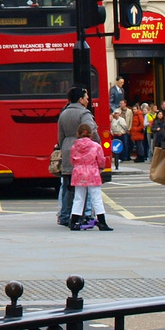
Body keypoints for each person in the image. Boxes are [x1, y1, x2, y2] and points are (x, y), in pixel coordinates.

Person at [56, 87, 95, 227]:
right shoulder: (84, 113)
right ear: (80, 99)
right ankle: (84, 215)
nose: (88, 100)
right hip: (83, 151)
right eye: (86, 97)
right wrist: (96, 145)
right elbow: (91, 130)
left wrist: (65, 147)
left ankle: (65, 215)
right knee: (84, 184)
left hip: (67, 149)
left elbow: (60, 136)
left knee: (67, 185)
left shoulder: (64, 113)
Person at [68, 122, 112, 231]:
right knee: (96, 198)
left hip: (78, 173)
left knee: (78, 198)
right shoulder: (96, 146)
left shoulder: (74, 146)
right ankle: (102, 222)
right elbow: (101, 160)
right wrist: (99, 168)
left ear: (78, 134)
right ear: (91, 134)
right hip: (92, 172)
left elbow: (72, 160)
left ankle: (74, 221)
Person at [109, 102, 128, 170]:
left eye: (117, 113)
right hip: (115, 135)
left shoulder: (122, 120)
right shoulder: (113, 121)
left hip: (121, 135)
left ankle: (122, 157)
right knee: (114, 148)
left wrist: (122, 132)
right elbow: (110, 128)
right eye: (115, 113)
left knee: (122, 147)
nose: (116, 115)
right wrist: (112, 133)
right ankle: (117, 159)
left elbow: (125, 127)